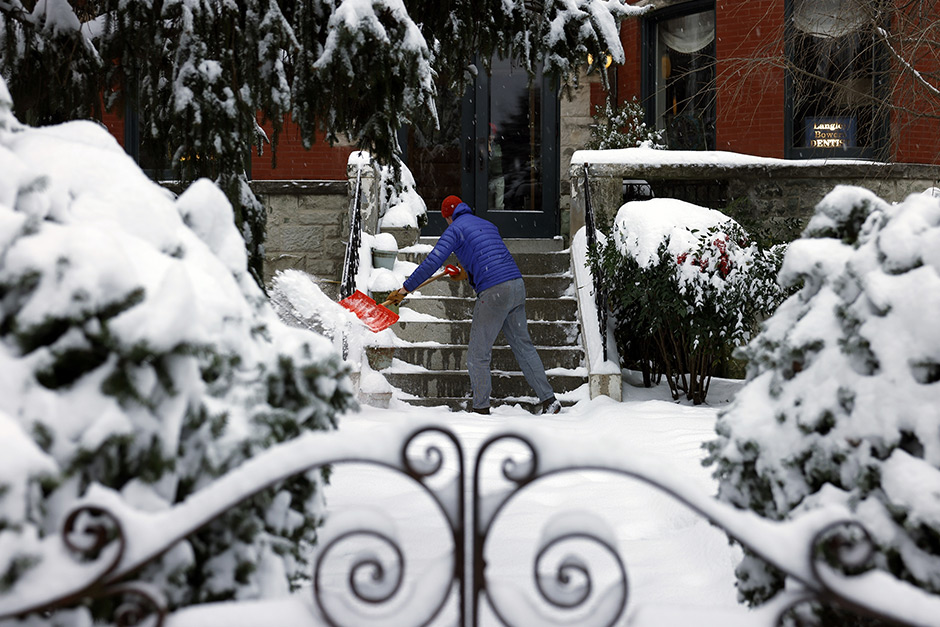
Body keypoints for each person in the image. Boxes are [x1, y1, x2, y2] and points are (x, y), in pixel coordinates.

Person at [386, 195, 561, 415]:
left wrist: (405, 289)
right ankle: (549, 400)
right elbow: (487, 256)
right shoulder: (486, 224)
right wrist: (464, 273)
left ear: (448, 217)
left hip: (494, 291)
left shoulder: (455, 229)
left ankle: (481, 410)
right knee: (524, 347)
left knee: (478, 355)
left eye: (446, 219)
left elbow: (432, 261)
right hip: (516, 285)